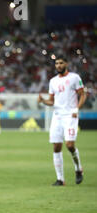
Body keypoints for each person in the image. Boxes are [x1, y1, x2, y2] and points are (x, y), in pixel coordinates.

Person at [38, 56, 86, 186]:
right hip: (57, 116)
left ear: (66, 64)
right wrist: (43, 101)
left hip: (70, 115)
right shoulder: (53, 81)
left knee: (70, 145)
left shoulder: (74, 78)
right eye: (56, 63)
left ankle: (78, 169)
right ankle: (60, 179)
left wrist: (77, 109)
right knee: (56, 147)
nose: (58, 65)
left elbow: (83, 94)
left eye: (61, 63)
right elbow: (52, 101)